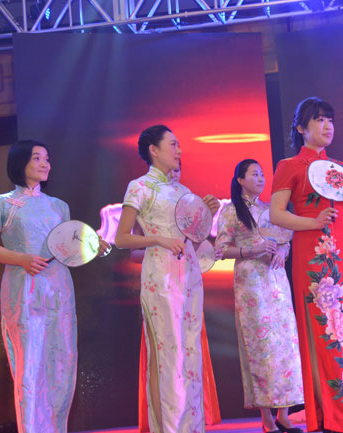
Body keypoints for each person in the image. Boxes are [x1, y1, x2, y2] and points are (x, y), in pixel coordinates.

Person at [0, 140, 109, 433]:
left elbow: (66, 250)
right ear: (20, 162)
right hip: (24, 292)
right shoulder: (1, 203)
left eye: (47, 158)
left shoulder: (59, 206)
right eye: (37, 158)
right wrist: (21, 259)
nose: (44, 163)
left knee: (62, 364)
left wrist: (92, 246)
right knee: (30, 367)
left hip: (59, 291)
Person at [270, 97, 343, 433]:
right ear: (301, 127)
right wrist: (313, 222)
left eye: (330, 119)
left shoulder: (340, 167)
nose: (327, 125)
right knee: (324, 330)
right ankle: (328, 415)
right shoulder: (289, 165)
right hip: (314, 255)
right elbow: (276, 215)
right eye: (319, 119)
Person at [115, 125, 219, 433]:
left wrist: (206, 213)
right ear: (154, 150)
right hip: (161, 278)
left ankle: (193, 427)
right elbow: (122, 238)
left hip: (189, 275)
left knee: (190, 351)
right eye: (173, 144)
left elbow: (194, 239)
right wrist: (158, 239)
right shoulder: (139, 187)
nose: (179, 150)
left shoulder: (183, 191)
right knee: (169, 353)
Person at [215, 159, 304, 433]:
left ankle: (284, 415)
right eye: (255, 174)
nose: (261, 178)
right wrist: (250, 251)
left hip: (276, 281)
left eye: (263, 174)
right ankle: (267, 418)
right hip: (251, 283)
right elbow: (221, 249)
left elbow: (286, 241)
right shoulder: (231, 211)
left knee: (285, 345)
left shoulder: (270, 209)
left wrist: (282, 251)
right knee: (261, 347)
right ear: (240, 180)